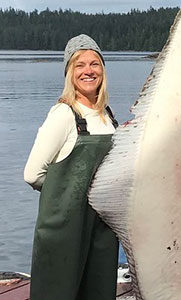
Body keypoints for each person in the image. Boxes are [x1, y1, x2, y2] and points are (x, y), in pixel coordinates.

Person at [24, 34, 119, 300]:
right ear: (69, 73)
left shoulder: (108, 116)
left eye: (94, 64)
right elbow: (32, 174)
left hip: (101, 230)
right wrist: (66, 194)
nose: (88, 71)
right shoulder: (64, 115)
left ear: (103, 69)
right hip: (63, 233)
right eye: (79, 65)